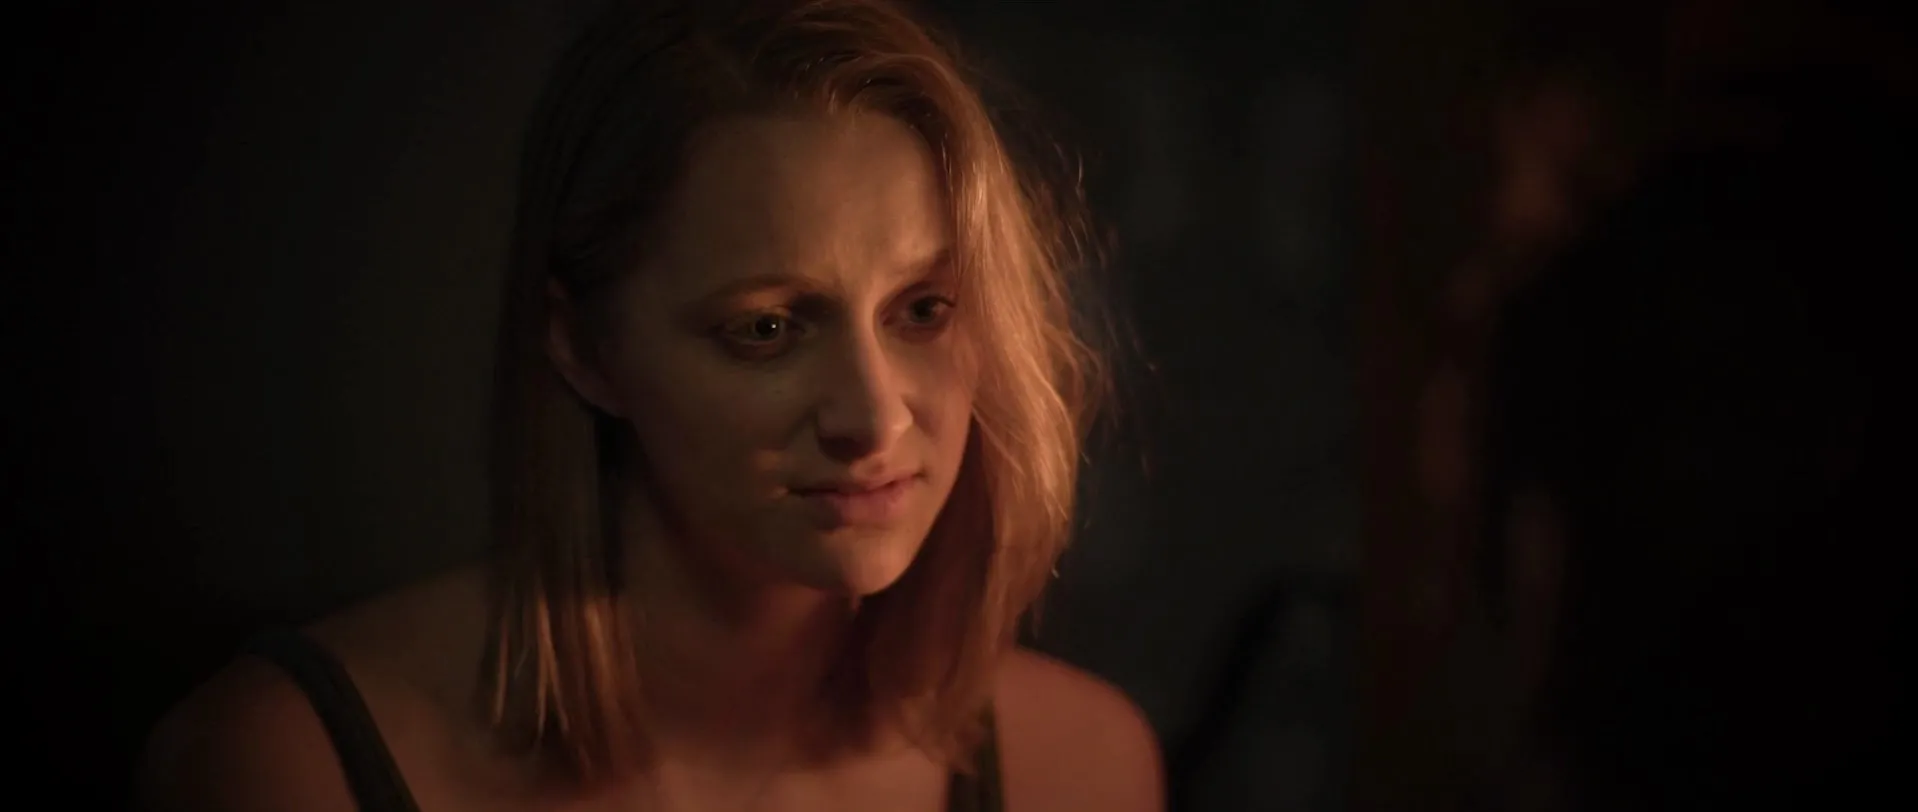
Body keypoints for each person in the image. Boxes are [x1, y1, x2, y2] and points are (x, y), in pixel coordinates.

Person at [133, 1, 1163, 809]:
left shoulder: (1077, 768)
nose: (873, 419)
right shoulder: (287, 762)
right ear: (584, 346)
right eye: (767, 327)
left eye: (925, 308)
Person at [1468, 70, 1913, 811]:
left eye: (1515, 163)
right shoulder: (1847, 257)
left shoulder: (1569, 310)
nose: (1501, 202)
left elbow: (1535, 564)